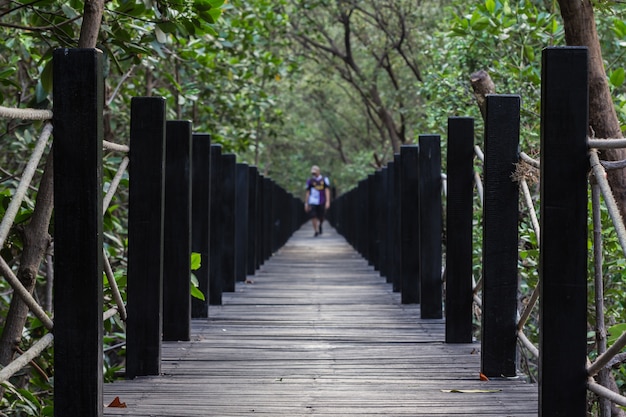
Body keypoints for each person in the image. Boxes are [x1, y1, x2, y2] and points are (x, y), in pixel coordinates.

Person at [305, 165, 331, 237]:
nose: (314, 174)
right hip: (312, 201)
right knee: (313, 215)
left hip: (322, 200)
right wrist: (306, 203)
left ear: (318, 171)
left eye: (315, 172)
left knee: (321, 216)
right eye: (313, 173)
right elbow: (307, 192)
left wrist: (328, 201)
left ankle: (320, 225)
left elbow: (327, 190)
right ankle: (315, 230)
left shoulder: (324, 179)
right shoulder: (310, 181)